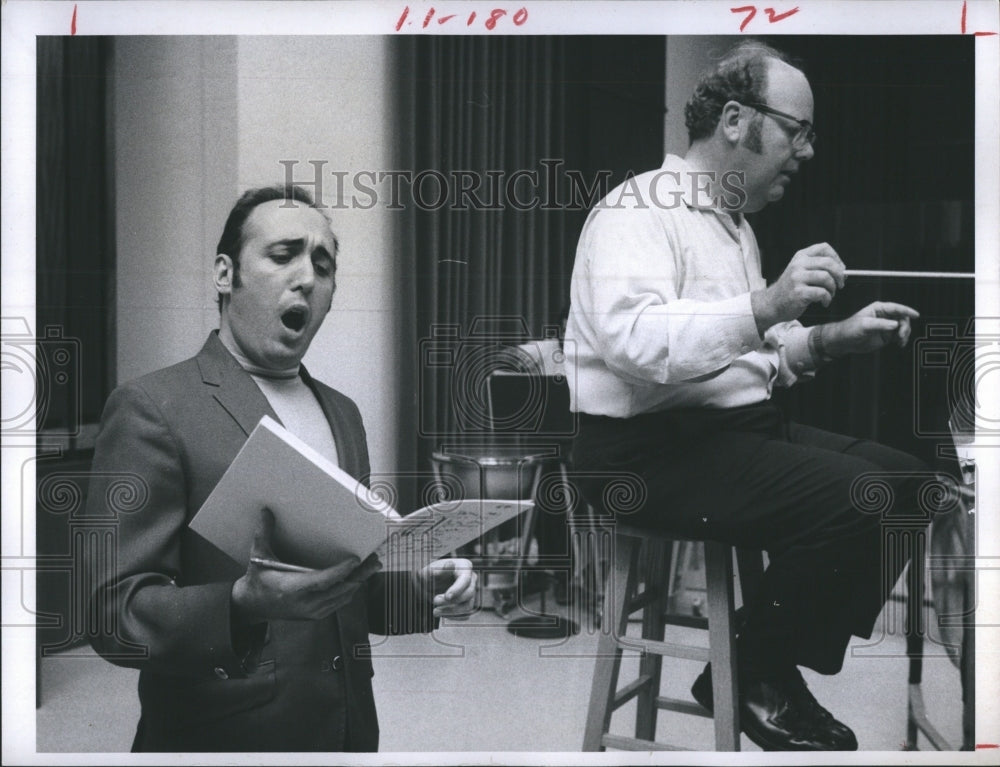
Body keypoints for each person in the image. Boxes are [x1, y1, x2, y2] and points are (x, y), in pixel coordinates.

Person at [565, 41, 929, 751]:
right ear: (736, 120)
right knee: (867, 496)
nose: (808, 151)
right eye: (799, 131)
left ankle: (760, 662)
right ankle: (761, 676)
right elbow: (637, 344)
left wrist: (830, 339)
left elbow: (750, 357)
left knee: (912, 484)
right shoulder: (637, 209)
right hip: (642, 455)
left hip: (730, 433)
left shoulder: (735, 228)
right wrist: (765, 306)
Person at [84, 184, 477, 752]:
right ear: (225, 273)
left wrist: (425, 591)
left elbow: (344, 587)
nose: (307, 276)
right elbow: (111, 614)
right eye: (282, 254)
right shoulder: (152, 407)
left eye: (323, 264)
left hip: (344, 732)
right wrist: (241, 605)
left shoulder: (343, 413)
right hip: (224, 737)